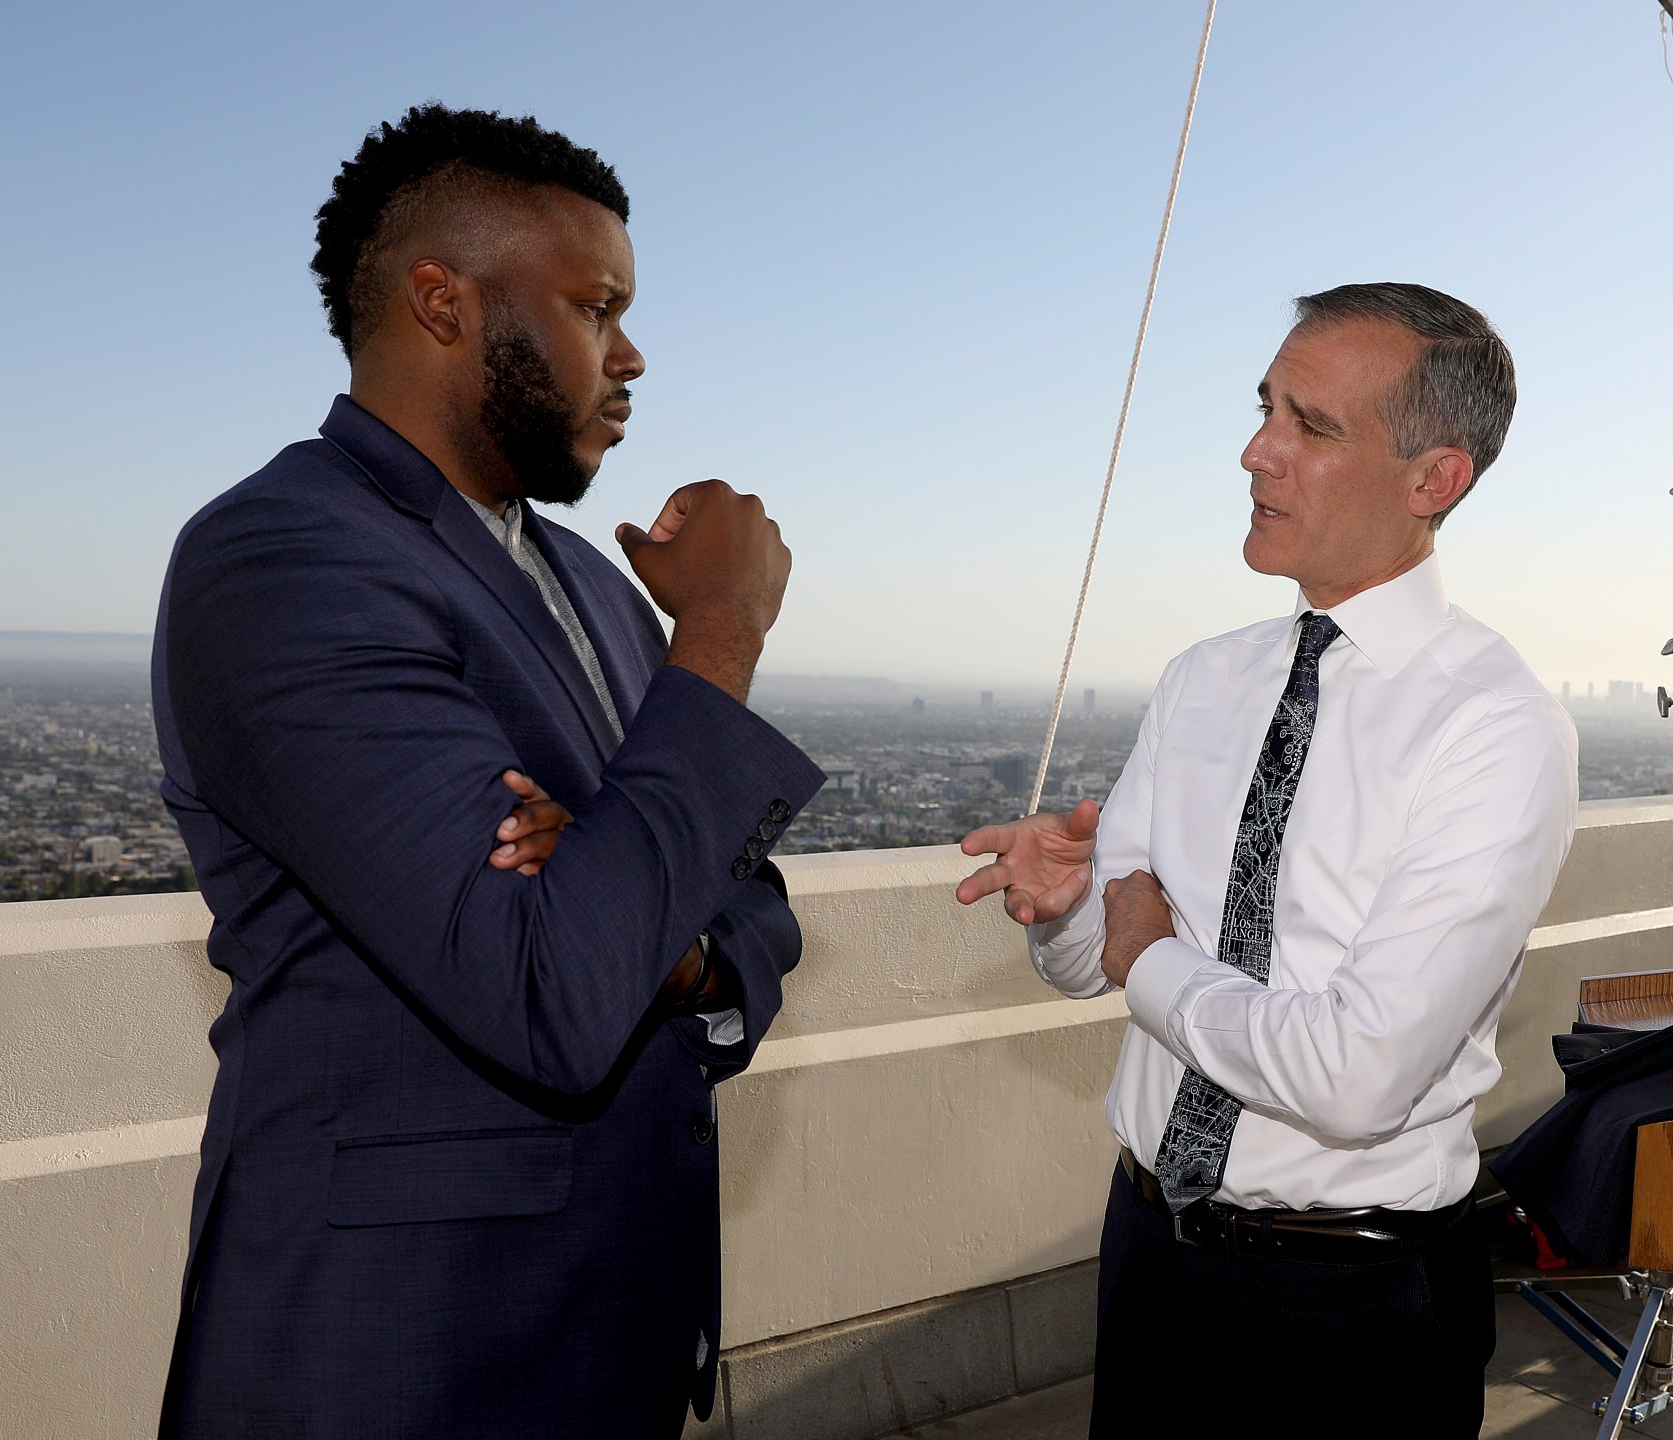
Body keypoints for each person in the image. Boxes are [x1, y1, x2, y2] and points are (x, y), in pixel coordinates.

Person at [151, 104, 822, 1438]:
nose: (630, 358)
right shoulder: (284, 559)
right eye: (594, 306)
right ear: (442, 301)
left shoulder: (595, 584)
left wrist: (665, 934)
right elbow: (548, 983)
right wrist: (724, 634)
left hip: (611, 1340)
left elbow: (748, 904)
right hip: (400, 1361)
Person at [957, 283, 1579, 1434]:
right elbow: (1104, 957)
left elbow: (1355, 1076)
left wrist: (1143, 956)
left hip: (1353, 1310)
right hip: (1148, 1250)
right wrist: (1066, 914)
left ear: (1433, 480)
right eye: (1264, 409)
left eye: (1312, 425)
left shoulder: (1494, 726)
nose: (1256, 451)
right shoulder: (1204, 676)